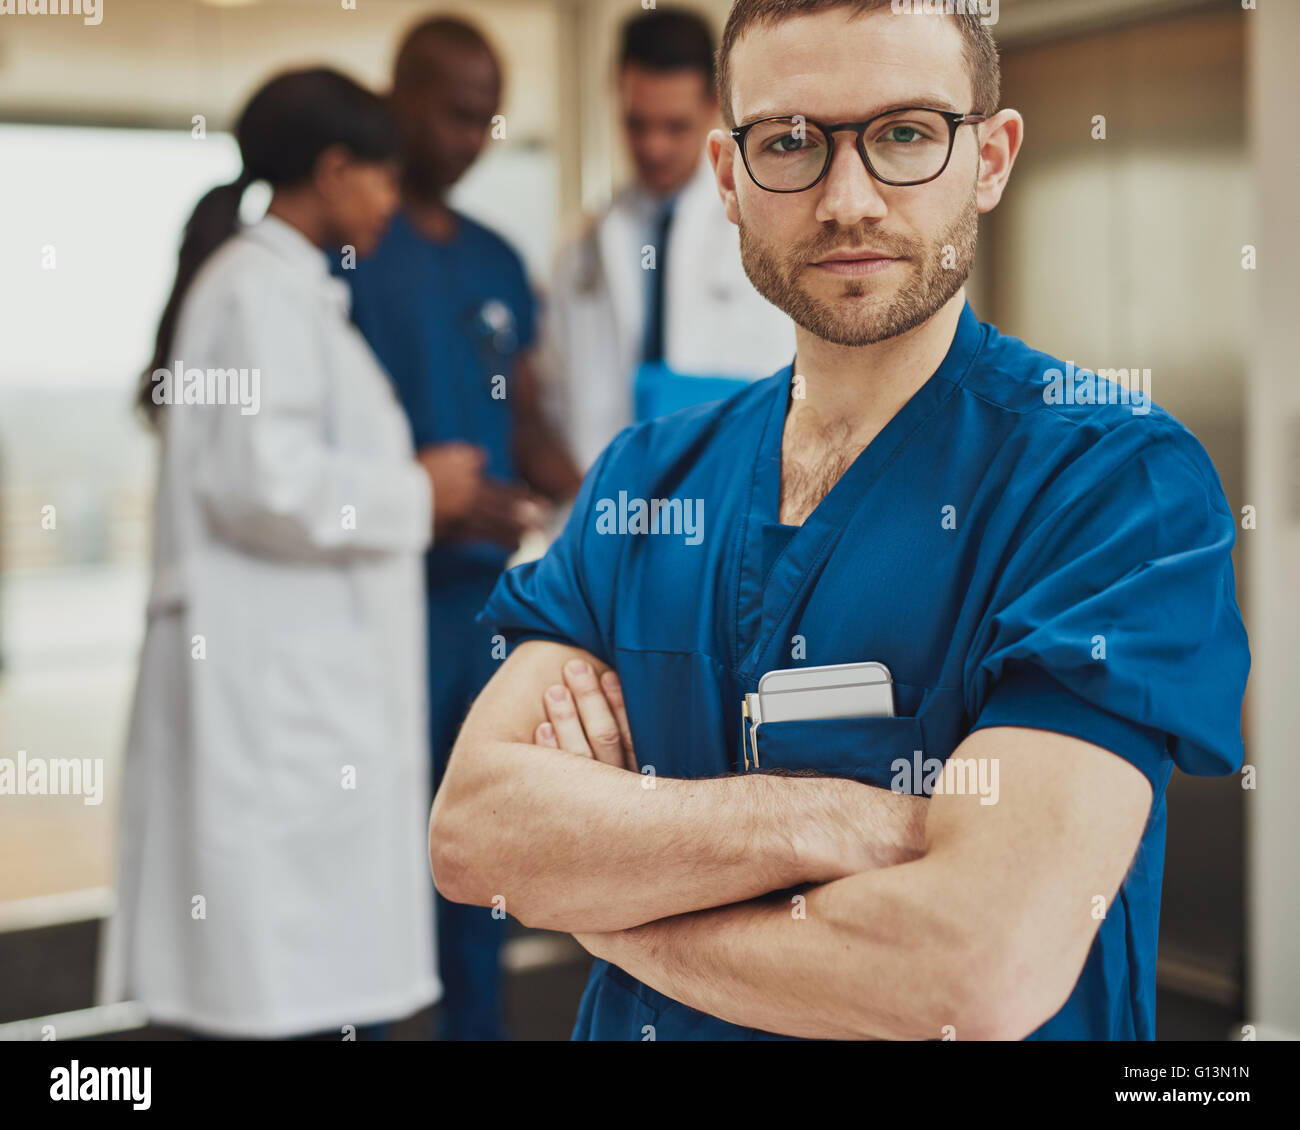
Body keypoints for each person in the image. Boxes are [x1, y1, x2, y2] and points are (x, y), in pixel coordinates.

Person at [428, 0, 1251, 1041]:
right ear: (728, 176)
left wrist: (608, 903)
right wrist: (821, 813)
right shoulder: (648, 478)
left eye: (904, 134)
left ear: (989, 158)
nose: (847, 199)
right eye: (788, 143)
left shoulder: (1110, 483)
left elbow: (973, 967)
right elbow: (473, 834)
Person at [98, 67, 482, 1038]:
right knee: (275, 979)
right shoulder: (256, 293)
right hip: (270, 696)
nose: (392, 202)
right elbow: (260, 481)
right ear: (334, 166)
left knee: (300, 970)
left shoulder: (282, 290)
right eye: (382, 179)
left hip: (291, 688)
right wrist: (418, 493)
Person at [342, 16, 581, 1042]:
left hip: (479, 608)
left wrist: (624, 502)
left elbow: (527, 422)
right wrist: (416, 492)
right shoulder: (349, 245)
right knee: (362, 852)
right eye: (456, 113)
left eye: (490, 119)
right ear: (398, 98)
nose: (476, 138)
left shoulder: (495, 259)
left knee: (476, 850)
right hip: (366, 601)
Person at [543, 6, 795, 470]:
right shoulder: (581, 250)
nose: (653, 147)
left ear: (712, 106)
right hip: (608, 512)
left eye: (674, 127)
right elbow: (553, 399)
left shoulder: (769, 228)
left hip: (729, 507)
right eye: (637, 124)